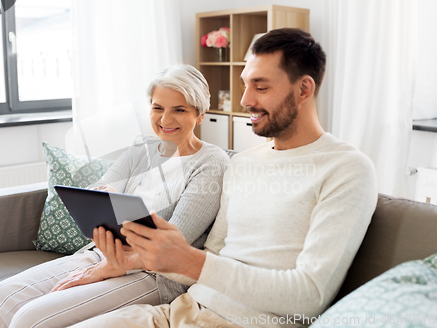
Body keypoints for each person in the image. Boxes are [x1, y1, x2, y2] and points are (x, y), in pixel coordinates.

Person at [68, 28, 378, 328]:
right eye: (245, 84)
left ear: (303, 89)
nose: (244, 99)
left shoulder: (346, 168)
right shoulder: (242, 164)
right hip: (182, 312)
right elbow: (213, 258)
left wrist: (189, 260)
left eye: (261, 86)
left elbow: (310, 295)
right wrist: (134, 260)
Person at [0, 64, 230, 328]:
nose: (165, 120)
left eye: (179, 110)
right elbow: (102, 189)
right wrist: (104, 197)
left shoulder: (211, 162)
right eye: (158, 108)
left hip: (154, 274)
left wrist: (113, 267)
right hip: (105, 253)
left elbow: (173, 245)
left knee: (30, 319)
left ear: (199, 115)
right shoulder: (143, 147)